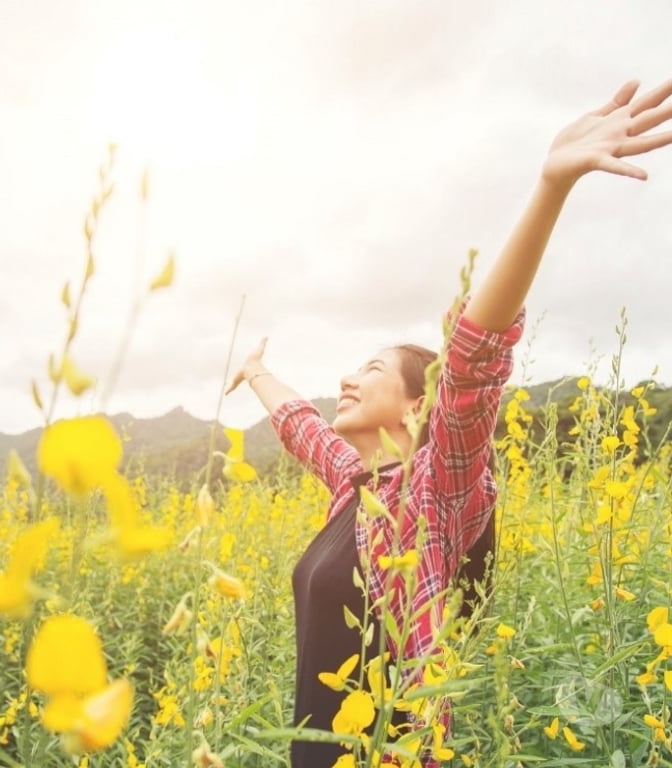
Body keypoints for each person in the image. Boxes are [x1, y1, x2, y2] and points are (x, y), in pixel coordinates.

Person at [226, 77, 672, 768]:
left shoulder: (438, 492)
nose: (346, 378)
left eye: (371, 369)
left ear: (416, 403)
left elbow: (472, 364)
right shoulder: (354, 484)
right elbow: (298, 424)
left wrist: (549, 188)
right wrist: (255, 370)